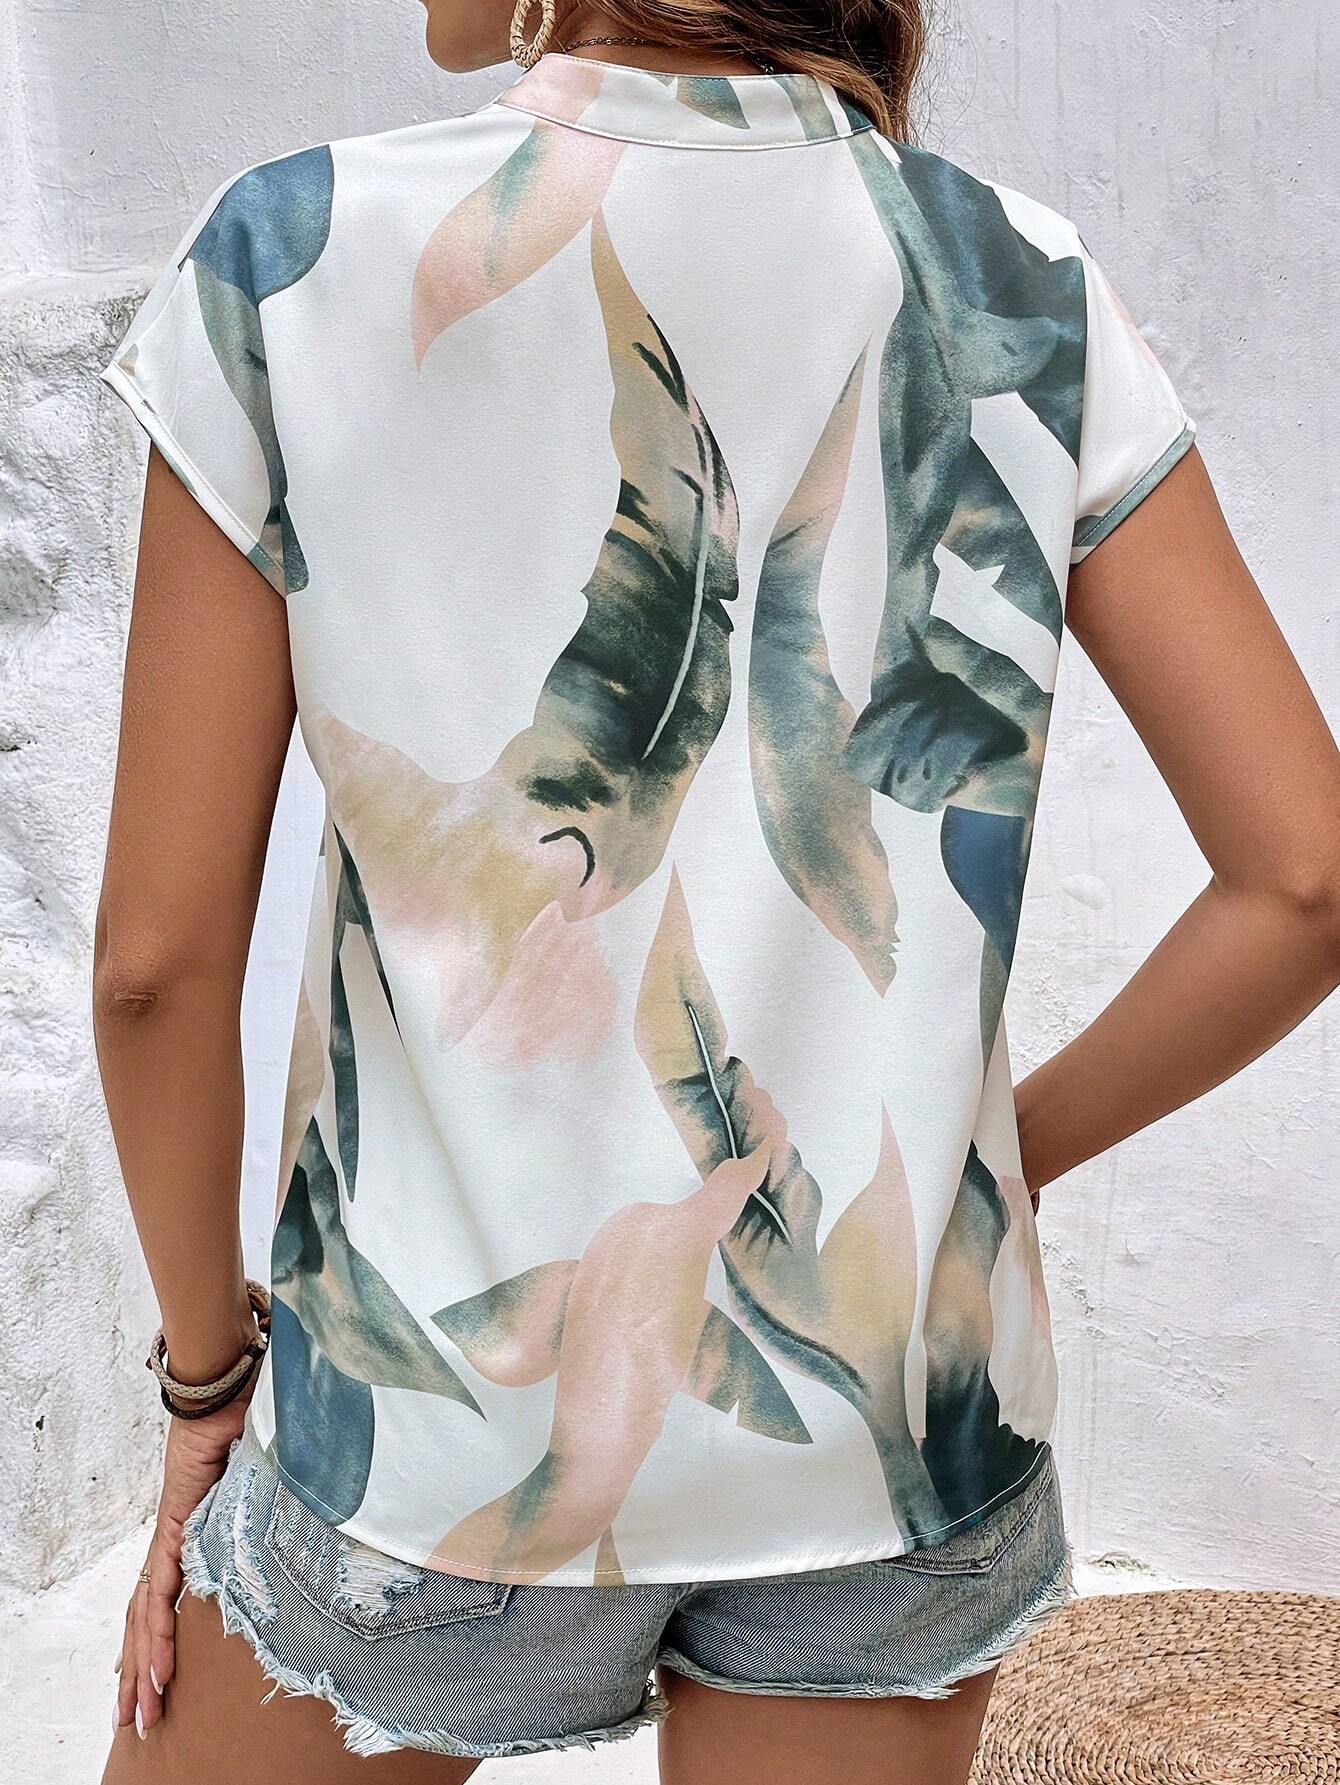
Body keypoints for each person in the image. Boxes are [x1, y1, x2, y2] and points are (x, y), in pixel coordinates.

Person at [94, 2, 1340, 1780]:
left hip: (434, 1439)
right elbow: (1306, 876)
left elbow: (153, 967)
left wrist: (208, 1379)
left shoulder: (287, 260)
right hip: (880, 1420)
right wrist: (1002, 1160)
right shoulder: (1020, 281)